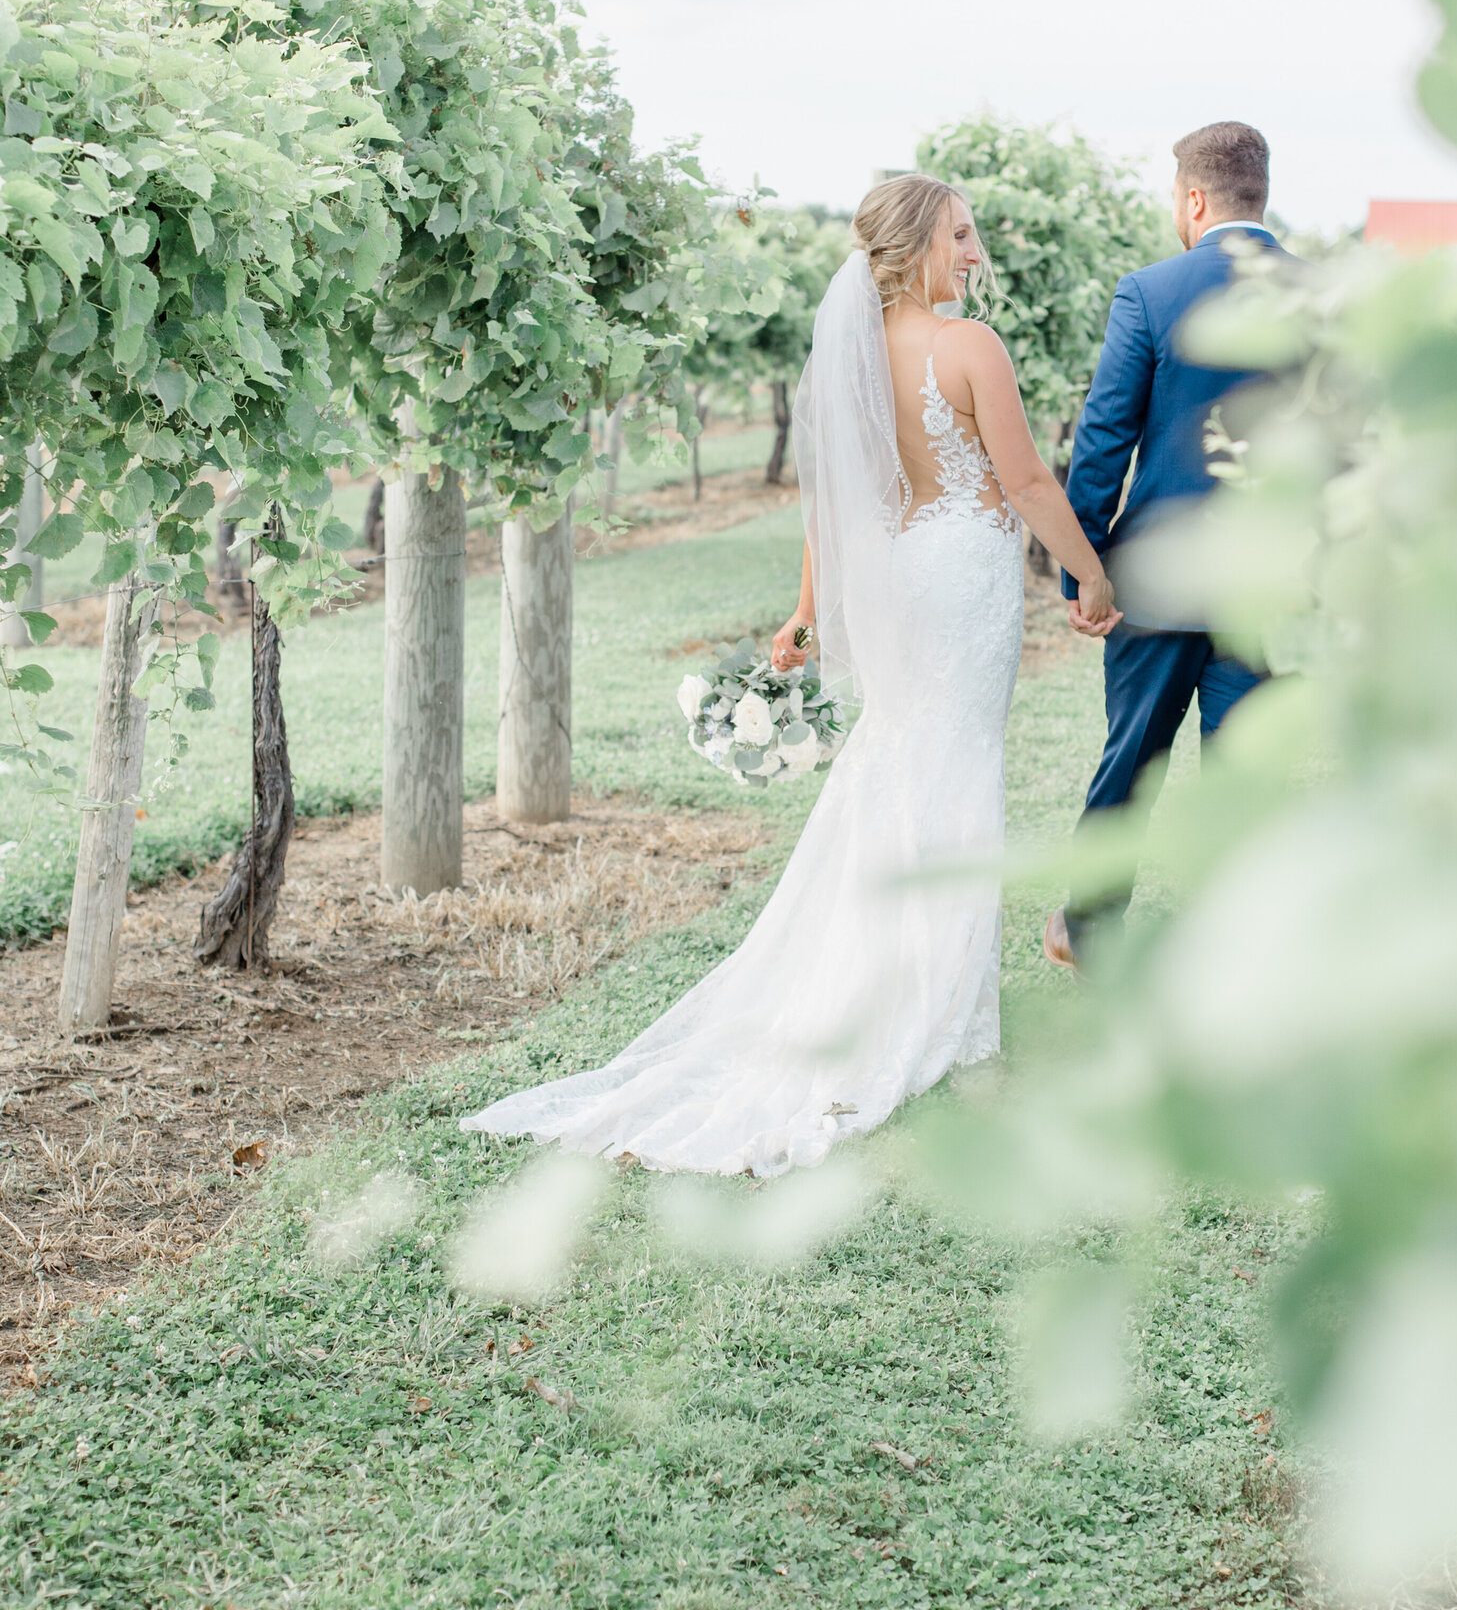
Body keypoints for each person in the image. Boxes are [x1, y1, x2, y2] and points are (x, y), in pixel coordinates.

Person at [463, 174, 1118, 1178]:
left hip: (898, 576)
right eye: (962, 235)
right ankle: (939, 1015)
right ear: (917, 246)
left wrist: (808, 608)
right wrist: (1089, 571)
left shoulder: (853, 361)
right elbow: (1026, 480)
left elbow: (834, 506)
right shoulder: (968, 347)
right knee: (952, 764)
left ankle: (889, 986)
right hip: (961, 578)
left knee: (900, 759)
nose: (976, 254)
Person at [1043, 120, 1288, 972]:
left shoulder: (1150, 290)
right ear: (1260, 193)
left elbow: (1104, 438)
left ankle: (1089, 928)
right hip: (1268, 580)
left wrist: (1086, 566)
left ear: (1193, 198)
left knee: (1133, 759)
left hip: (1155, 578)